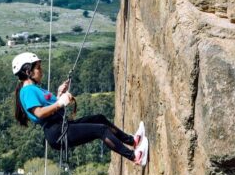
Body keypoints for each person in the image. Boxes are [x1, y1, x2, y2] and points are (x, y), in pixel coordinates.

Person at [12, 52, 147, 166]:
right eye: (38, 68)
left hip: (60, 127)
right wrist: (60, 103)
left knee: (99, 119)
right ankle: (134, 157)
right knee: (101, 130)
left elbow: (49, 106)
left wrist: (59, 94)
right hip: (56, 132)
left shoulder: (34, 88)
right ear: (27, 71)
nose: (41, 71)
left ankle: (132, 140)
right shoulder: (28, 91)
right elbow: (39, 113)